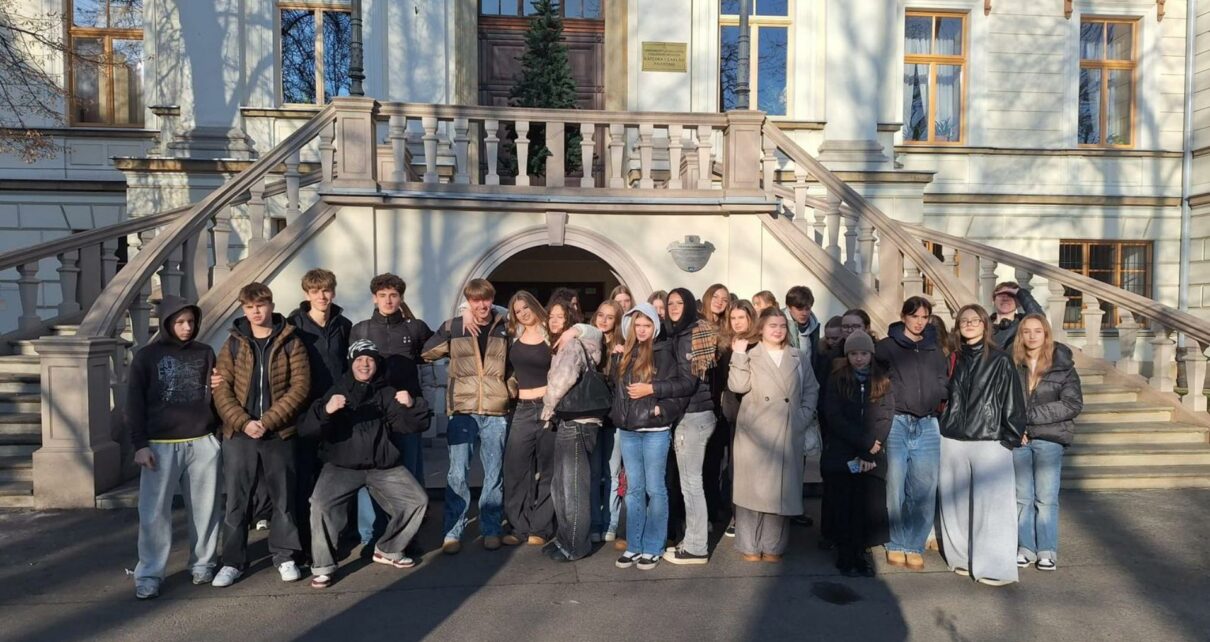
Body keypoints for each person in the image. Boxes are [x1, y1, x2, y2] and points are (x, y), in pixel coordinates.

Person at [301, 340, 430, 588]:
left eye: (370, 359)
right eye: (359, 359)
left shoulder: (387, 392)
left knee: (417, 500)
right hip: (342, 466)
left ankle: (388, 549)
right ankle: (324, 566)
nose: (365, 364)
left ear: (377, 363)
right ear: (351, 363)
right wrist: (327, 410)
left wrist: (413, 405)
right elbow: (308, 430)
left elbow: (411, 426)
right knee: (320, 504)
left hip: (382, 466)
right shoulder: (336, 390)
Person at [212, 282, 311, 587]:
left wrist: (267, 421)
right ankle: (232, 561)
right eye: (250, 307)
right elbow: (221, 389)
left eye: (261, 305)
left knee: (283, 498)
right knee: (236, 501)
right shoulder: (233, 343)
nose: (256, 312)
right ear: (244, 310)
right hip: (239, 434)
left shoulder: (291, 341)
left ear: (271, 306)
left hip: (278, 433)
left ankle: (284, 555)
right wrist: (243, 422)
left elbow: (300, 387)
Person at [128, 296, 221, 600]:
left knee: (205, 509)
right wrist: (140, 444)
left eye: (191, 321)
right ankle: (149, 574)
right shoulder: (146, 357)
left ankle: (203, 563)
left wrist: (217, 435)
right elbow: (134, 404)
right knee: (153, 514)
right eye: (180, 322)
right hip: (160, 446)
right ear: (167, 323)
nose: (187, 327)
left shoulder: (205, 353)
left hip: (201, 441)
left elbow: (217, 396)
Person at [422, 278, 514, 554]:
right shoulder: (455, 327)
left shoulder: (505, 326)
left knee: (494, 473)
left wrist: (509, 388)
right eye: (475, 300)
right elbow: (427, 353)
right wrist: (456, 323)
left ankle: (491, 528)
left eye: (486, 299)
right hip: (463, 409)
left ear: (492, 299)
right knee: (457, 473)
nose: (481, 305)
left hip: (495, 410)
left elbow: (514, 364)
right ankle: (453, 531)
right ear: (468, 301)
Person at [938, 304, 1026, 587]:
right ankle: (960, 557)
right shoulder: (953, 358)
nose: (969, 324)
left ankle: (994, 566)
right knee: (954, 502)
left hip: (990, 438)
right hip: (953, 437)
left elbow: (1012, 398)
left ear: (985, 325)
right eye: (963, 320)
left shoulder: (1000, 360)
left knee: (994, 507)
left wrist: (1011, 436)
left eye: (974, 320)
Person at [727, 308, 819, 562]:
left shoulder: (798, 356)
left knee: (780, 493)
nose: (778, 330)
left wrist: (801, 417)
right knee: (751, 492)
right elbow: (737, 386)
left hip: (787, 431)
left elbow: (811, 389)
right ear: (761, 328)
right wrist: (738, 354)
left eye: (781, 325)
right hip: (754, 434)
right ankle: (748, 545)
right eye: (772, 325)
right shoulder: (750, 354)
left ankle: (773, 546)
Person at [611, 303, 688, 571]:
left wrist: (659, 406)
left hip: (655, 430)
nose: (642, 330)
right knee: (633, 489)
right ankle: (634, 545)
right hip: (629, 430)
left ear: (655, 326)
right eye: (638, 325)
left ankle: (653, 546)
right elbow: (616, 390)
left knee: (655, 489)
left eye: (647, 325)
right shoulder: (624, 353)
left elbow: (680, 388)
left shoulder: (664, 352)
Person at [875, 297, 949, 572]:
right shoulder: (886, 347)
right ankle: (896, 542)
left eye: (924, 317)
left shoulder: (934, 348)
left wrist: (939, 393)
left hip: (928, 422)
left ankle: (914, 544)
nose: (919, 322)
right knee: (895, 485)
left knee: (924, 487)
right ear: (903, 316)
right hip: (898, 421)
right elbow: (877, 383)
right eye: (914, 316)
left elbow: (943, 379)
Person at [286, 268, 352, 558]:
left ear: (333, 292)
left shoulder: (344, 325)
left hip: (338, 410)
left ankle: (336, 538)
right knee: (305, 480)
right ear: (307, 294)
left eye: (326, 290)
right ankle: (304, 543)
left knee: (337, 478)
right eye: (315, 291)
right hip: (306, 413)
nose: (322, 296)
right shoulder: (293, 325)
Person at [1012, 314, 1083, 572]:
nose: (1032, 336)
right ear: (1020, 335)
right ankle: (1025, 547)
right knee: (1022, 497)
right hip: (1019, 440)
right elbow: (1003, 401)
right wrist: (1015, 427)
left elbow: (1072, 404)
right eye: (1027, 331)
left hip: (1050, 440)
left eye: (1037, 331)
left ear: (1046, 334)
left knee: (1046, 498)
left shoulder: (1062, 366)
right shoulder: (1012, 365)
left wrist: (1029, 418)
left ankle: (1046, 550)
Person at [822, 330, 894, 577]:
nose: (859, 358)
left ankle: (861, 554)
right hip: (844, 450)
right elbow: (834, 416)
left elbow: (885, 415)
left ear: (871, 354)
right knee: (844, 504)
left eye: (864, 353)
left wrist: (872, 448)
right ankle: (845, 554)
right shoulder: (837, 379)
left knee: (866, 507)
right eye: (854, 354)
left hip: (871, 454)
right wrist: (863, 443)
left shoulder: (882, 380)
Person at [660, 288, 721, 565]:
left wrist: (654, 388)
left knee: (691, 484)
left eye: (679, 303)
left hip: (693, 415)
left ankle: (696, 547)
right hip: (697, 413)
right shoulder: (681, 333)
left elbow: (688, 382)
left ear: (688, 306)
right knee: (690, 482)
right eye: (670, 303)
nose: (674, 307)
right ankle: (693, 539)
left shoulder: (688, 335)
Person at [540, 314, 606, 561]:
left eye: (560, 317)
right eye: (551, 316)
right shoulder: (578, 343)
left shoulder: (573, 344)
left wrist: (548, 407)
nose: (554, 321)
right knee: (562, 486)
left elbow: (563, 378)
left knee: (572, 488)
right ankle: (564, 540)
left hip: (576, 421)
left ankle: (576, 545)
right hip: (576, 421)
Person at [502, 291, 557, 547]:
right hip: (522, 409)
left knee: (549, 469)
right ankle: (519, 526)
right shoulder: (513, 335)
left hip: (549, 408)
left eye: (526, 307)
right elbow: (488, 313)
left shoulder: (552, 332)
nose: (523, 313)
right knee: (516, 468)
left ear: (535, 306)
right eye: (517, 311)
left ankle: (541, 527)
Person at [715, 300, 759, 535]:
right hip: (731, 414)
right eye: (733, 318)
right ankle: (736, 515)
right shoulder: (726, 344)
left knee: (752, 468)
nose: (737, 322)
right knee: (734, 469)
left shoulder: (758, 344)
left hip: (754, 414)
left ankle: (751, 517)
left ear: (751, 318)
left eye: (742, 317)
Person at [588, 301, 626, 544]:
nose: (603, 320)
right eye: (600, 315)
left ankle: (611, 521)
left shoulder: (622, 347)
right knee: (593, 473)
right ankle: (594, 522)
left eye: (609, 317)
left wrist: (618, 358)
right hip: (591, 417)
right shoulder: (586, 344)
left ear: (617, 321)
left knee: (611, 472)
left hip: (613, 418)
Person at [991, 281, 1043, 349]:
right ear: (994, 300)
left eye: (1011, 295)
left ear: (1019, 302)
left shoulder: (1023, 323)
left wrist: (1020, 293)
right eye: (1001, 295)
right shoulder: (983, 324)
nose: (1005, 299)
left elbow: (1039, 317)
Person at [783, 285, 820, 362]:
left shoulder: (814, 326)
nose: (804, 313)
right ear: (788, 307)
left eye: (807, 309)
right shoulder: (777, 324)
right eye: (799, 309)